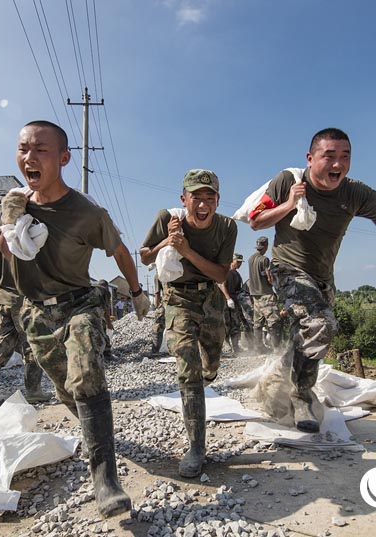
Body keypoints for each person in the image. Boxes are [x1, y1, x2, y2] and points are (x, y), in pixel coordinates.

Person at [0, 120, 149, 518]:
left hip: (79, 303)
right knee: (68, 390)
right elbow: (10, 260)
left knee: (87, 376)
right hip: (35, 313)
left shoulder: (86, 212)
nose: (29, 157)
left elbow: (118, 251)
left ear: (64, 158)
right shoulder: (15, 205)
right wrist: (9, 224)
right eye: (23, 149)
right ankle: (96, 434)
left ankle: (106, 479)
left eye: (40, 150)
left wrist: (136, 293)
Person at [249, 128, 376, 433]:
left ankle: (276, 380)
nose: (337, 164)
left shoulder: (355, 193)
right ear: (310, 159)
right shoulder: (288, 181)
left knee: (309, 337)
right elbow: (255, 221)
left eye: (345, 157)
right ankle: (301, 395)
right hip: (287, 270)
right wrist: (289, 203)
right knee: (320, 326)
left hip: (324, 278)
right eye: (329, 156)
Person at [140, 169, 237, 478]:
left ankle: (204, 378)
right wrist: (165, 242)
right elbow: (143, 256)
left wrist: (186, 251)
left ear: (218, 201)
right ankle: (196, 447)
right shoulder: (167, 218)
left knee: (210, 363)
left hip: (210, 299)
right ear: (184, 199)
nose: (203, 205)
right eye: (197, 198)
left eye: (210, 198)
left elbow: (221, 275)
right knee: (187, 366)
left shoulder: (226, 227)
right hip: (178, 299)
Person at [0, 231, 51, 407]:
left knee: (2, 347)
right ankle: (33, 391)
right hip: (21, 302)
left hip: (1, 303)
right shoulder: (22, 239)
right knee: (32, 346)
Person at [248, 236, 281, 353]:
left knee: (257, 323)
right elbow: (269, 277)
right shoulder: (264, 259)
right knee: (274, 321)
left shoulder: (250, 259)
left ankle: (258, 348)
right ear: (266, 246)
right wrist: (275, 286)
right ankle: (277, 348)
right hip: (266, 294)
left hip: (254, 295)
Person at [219, 253, 248, 355]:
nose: (239, 264)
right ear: (232, 261)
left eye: (240, 262)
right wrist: (228, 298)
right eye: (237, 262)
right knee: (225, 324)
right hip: (224, 300)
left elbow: (239, 289)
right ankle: (226, 346)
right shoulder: (226, 272)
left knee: (235, 324)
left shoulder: (237, 275)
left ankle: (235, 347)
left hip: (234, 301)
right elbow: (222, 285)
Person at [149, 275, 166, 356]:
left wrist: (157, 307)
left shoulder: (158, 274)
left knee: (158, 326)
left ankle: (155, 350)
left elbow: (157, 294)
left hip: (167, 301)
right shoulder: (179, 267)